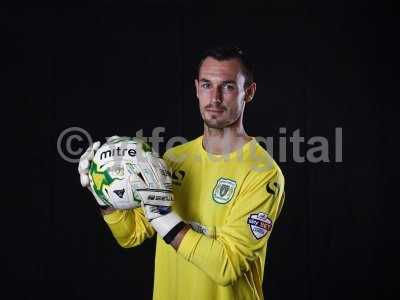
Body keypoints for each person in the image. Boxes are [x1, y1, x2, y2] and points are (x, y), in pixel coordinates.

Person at [79, 45, 285, 300]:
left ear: (249, 92)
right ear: (197, 88)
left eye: (228, 86)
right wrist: (103, 193)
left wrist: (166, 220)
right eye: (207, 85)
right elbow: (131, 235)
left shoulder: (263, 174)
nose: (216, 97)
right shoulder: (174, 159)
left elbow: (227, 266)